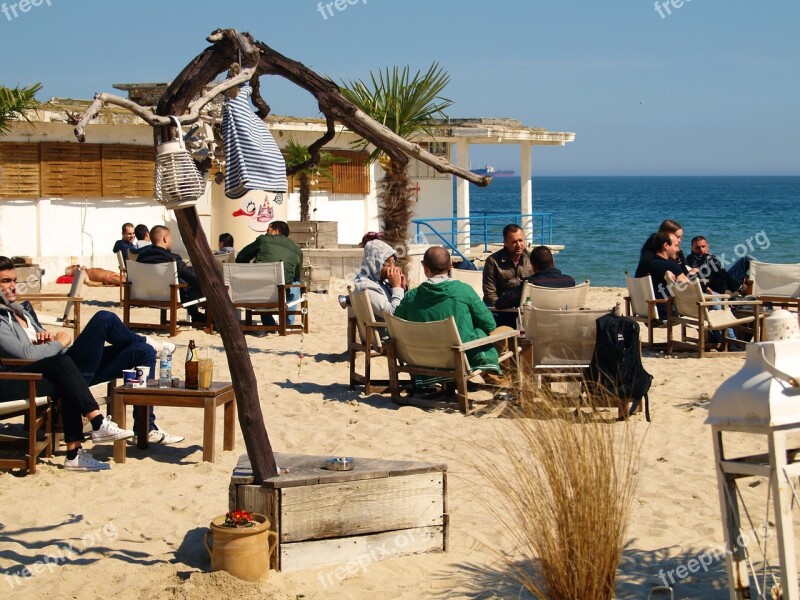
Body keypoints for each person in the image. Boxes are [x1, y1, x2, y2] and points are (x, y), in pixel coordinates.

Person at [0, 256, 184, 445]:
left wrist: (50, 338)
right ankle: (145, 338)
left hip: (67, 364)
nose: (13, 286)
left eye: (14, 280)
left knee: (143, 352)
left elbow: (39, 345)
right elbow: (25, 355)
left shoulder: (21, 311)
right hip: (52, 374)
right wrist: (59, 343)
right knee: (104, 319)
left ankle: (146, 428)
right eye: (5, 281)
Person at [395, 246, 510, 387]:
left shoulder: (411, 297)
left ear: (425, 268)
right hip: (461, 358)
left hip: (423, 360)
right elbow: (489, 324)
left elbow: (395, 327)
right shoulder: (463, 290)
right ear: (450, 265)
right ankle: (500, 383)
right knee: (506, 331)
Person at [0, 353, 135, 471]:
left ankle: (75, 453)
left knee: (66, 377)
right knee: (62, 364)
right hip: (4, 384)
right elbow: (23, 351)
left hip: (7, 375)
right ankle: (96, 424)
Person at [236, 221, 303, 325]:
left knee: (263, 281)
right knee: (296, 284)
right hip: (282, 291)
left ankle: (269, 324)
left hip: (259, 292)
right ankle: (288, 324)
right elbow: (297, 275)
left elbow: (241, 257)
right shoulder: (297, 250)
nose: (266, 233)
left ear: (276, 231)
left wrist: (248, 270)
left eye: (268, 230)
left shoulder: (263, 240)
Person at [136, 225, 205, 324]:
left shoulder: (141, 257)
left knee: (183, 282)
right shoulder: (172, 258)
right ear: (165, 238)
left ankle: (195, 315)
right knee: (200, 284)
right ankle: (198, 316)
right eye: (171, 238)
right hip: (171, 296)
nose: (171, 241)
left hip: (147, 294)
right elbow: (192, 277)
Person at [494, 245, 577, 310]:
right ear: (553, 261)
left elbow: (500, 303)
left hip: (534, 328)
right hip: (563, 327)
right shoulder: (569, 281)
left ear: (533, 267)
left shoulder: (531, 284)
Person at [482, 224, 534, 307]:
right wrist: (504, 306)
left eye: (520, 240)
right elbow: (490, 294)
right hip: (501, 308)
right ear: (505, 243)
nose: (518, 245)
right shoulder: (493, 261)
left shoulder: (531, 259)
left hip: (526, 307)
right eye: (514, 242)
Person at [353, 239, 405, 321]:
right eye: (388, 262)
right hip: (388, 332)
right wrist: (397, 287)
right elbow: (395, 315)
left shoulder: (378, 281)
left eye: (393, 262)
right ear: (375, 263)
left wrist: (402, 287)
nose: (392, 267)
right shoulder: (366, 287)